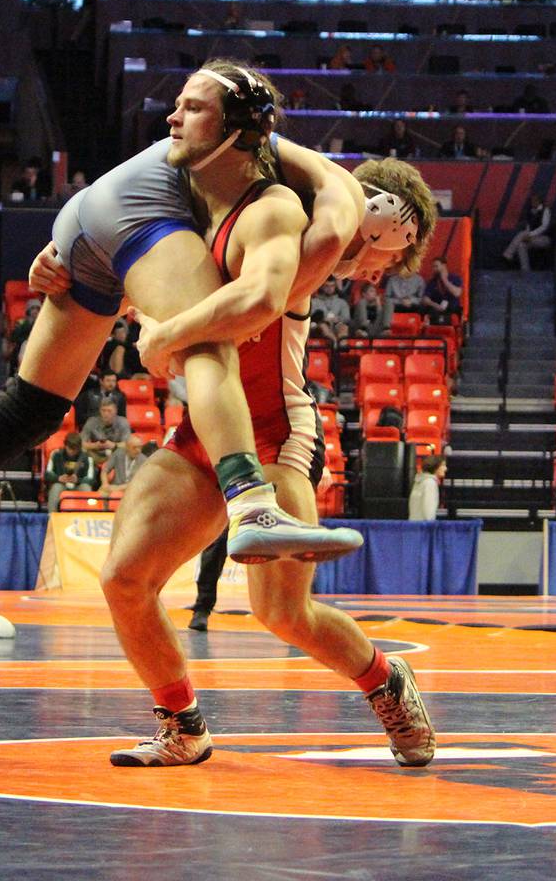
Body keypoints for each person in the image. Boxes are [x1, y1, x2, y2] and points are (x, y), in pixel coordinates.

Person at [0, 63, 373, 645]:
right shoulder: (268, 165)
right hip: (130, 216)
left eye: (191, 108)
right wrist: (172, 331)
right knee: (206, 341)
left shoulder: (241, 177)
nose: (171, 117)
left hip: (87, 223)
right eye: (179, 104)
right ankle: (251, 500)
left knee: (30, 408)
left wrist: (67, 251)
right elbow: (338, 211)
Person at [94, 145, 436, 769]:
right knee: (124, 580)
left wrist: (159, 323)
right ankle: (182, 723)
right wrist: (75, 271)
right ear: (383, 220)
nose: (379, 274)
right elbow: (157, 275)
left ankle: (386, 681)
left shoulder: (294, 239)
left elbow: (249, 304)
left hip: (277, 436)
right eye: (391, 254)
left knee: (281, 612)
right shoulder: (266, 217)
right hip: (206, 431)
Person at [45, 432, 99, 510]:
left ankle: (89, 513)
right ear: (65, 445)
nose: (72, 451)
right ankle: (51, 515)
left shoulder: (87, 458)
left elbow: (91, 479)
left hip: (78, 485)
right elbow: (47, 474)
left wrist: (78, 480)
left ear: (79, 448)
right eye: (70, 448)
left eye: (75, 449)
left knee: (86, 488)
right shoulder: (56, 454)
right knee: (56, 488)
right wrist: (59, 478)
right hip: (61, 483)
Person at [502, 195, 552, 273]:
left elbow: (544, 227)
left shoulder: (546, 210)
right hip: (533, 237)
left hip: (545, 238)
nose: (532, 202)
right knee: (521, 245)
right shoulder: (530, 211)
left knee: (522, 234)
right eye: (531, 201)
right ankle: (525, 270)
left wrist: (530, 235)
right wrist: (528, 235)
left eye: (534, 200)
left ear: (539, 201)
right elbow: (529, 227)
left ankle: (508, 254)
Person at [409, 455, 446, 521]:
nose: (445, 468)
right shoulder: (430, 483)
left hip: (414, 527)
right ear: (435, 467)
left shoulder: (420, 481)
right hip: (423, 528)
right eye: (443, 465)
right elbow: (429, 513)